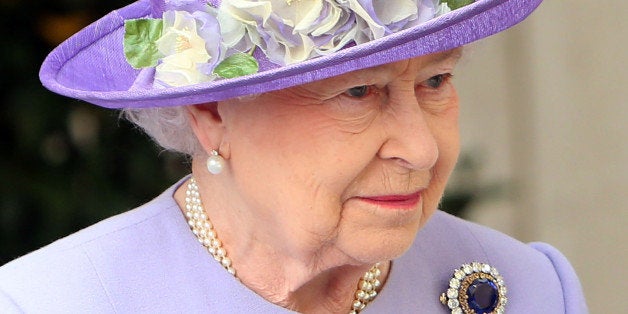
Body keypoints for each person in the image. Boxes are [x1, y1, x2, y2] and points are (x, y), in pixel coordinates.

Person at [0, 0, 588, 313]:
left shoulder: (532, 289)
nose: (422, 148)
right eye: (358, 92)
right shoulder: (47, 303)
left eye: (435, 82)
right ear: (212, 112)